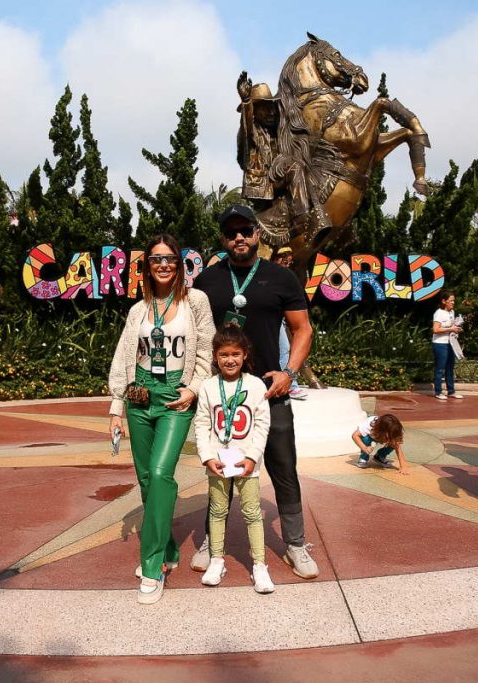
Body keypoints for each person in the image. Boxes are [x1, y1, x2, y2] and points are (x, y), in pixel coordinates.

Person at [192, 204, 319, 579]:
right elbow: (197, 334)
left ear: (257, 233)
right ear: (223, 239)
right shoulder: (207, 281)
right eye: (231, 233)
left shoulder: (281, 278)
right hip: (221, 395)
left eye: (245, 230)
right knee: (221, 468)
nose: (239, 238)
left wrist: (289, 373)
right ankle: (211, 542)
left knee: (283, 468)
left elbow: (303, 329)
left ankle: (295, 544)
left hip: (268, 393)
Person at [107, 234, 215, 605]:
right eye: (156, 259)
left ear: (180, 264)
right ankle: (168, 547)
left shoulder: (195, 301)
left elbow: (206, 348)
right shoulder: (139, 309)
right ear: (148, 266)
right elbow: (124, 356)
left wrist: (195, 387)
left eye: (170, 259)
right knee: (146, 478)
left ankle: (152, 566)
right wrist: (116, 408)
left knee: (162, 471)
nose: (164, 265)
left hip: (174, 397)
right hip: (139, 396)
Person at [193, 323, 274, 593]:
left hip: (245, 463)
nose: (230, 360)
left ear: (245, 356)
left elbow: (262, 424)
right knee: (217, 511)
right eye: (224, 355)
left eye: (235, 354)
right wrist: (206, 457)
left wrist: (252, 457)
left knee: (251, 512)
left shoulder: (255, 385)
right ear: (216, 357)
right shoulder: (207, 387)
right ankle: (217, 560)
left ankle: (260, 566)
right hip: (217, 461)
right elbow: (202, 424)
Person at [272, 246, 306, 400]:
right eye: (283, 259)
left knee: (285, 348)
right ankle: (291, 385)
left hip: (283, 318)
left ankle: (289, 384)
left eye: (288, 261)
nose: (286, 263)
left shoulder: (287, 277)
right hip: (273, 317)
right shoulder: (269, 274)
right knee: (284, 348)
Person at [432, 291, 463, 400]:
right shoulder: (439, 313)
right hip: (440, 344)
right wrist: (450, 329)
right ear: (444, 301)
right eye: (451, 301)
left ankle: (451, 391)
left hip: (450, 343)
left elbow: (450, 326)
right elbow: (435, 329)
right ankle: (438, 391)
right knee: (440, 368)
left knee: (450, 367)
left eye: (454, 300)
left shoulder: (452, 312)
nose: (453, 303)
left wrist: (456, 328)